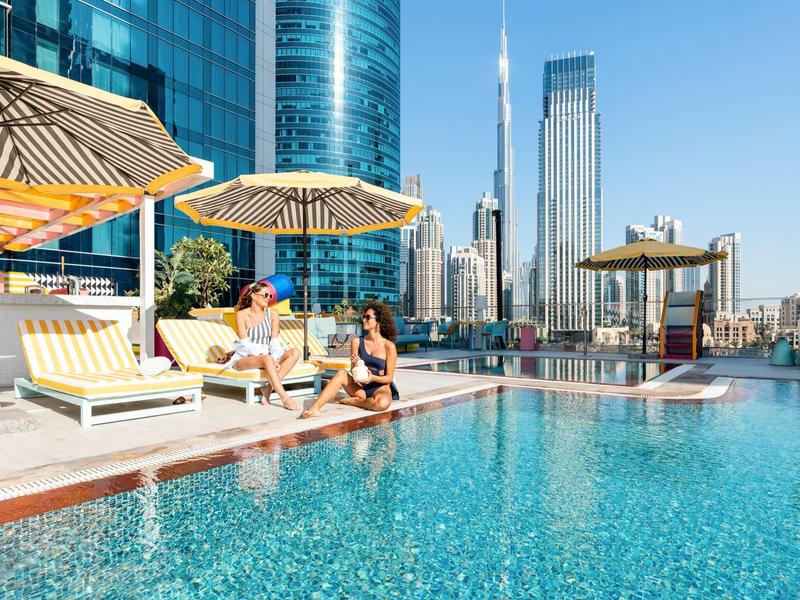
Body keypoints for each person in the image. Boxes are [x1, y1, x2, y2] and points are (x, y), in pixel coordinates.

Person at [301, 301, 399, 418]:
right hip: (361, 389)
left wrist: (372, 378)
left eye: (368, 317)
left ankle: (350, 401)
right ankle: (315, 408)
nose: (363, 320)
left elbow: (388, 378)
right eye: (363, 317)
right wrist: (358, 365)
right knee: (341, 373)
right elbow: (353, 371)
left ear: (378, 321)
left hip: (380, 388)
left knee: (381, 403)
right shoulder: (356, 342)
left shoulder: (389, 346)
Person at [226, 282, 301, 410]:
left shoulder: (273, 314)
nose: (268, 298)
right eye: (265, 295)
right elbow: (245, 344)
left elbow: (275, 341)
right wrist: (267, 357)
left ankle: (268, 388)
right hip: (245, 357)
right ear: (253, 295)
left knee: (295, 352)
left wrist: (275, 358)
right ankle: (285, 398)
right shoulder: (241, 315)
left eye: (270, 296)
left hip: (268, 356)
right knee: (267, 359)